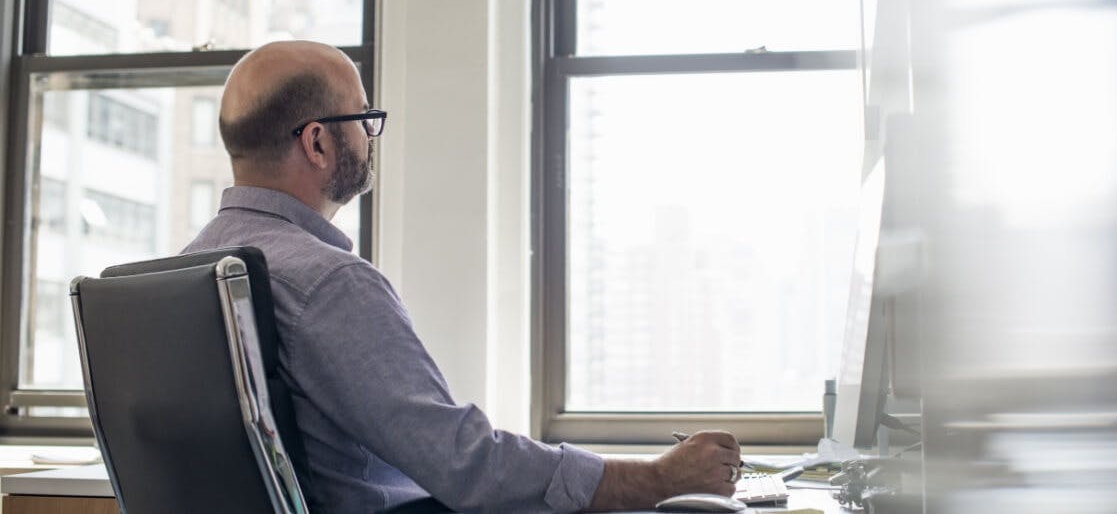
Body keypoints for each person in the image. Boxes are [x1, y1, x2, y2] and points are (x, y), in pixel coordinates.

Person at [184, 40, 743, 513]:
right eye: (364, 119)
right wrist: (658, 479)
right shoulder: (327, 283)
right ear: (318, 142)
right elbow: (465, 465)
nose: (371, 137)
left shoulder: (182, 273)